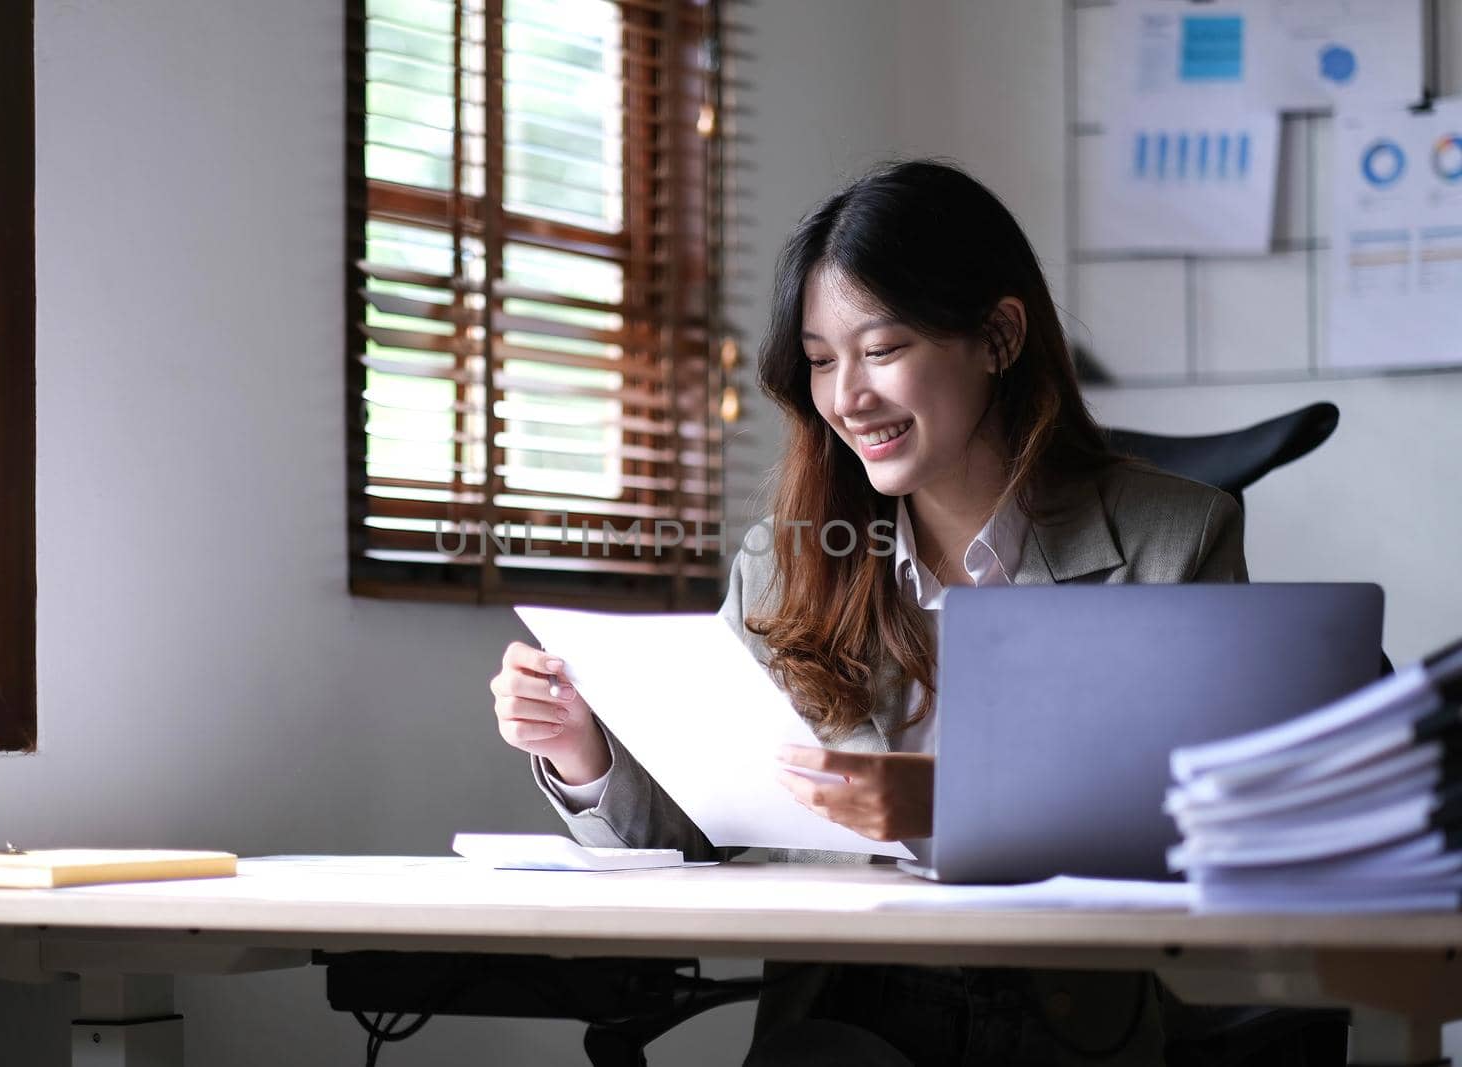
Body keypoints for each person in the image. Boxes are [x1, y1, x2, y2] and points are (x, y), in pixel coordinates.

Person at [487, 160, 1344, 1066]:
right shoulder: (783, 565)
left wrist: (954, 804)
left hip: (1065, 1012)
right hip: (843, 1007)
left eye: (883, 350)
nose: (847, 397)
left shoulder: (1178, 536)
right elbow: (699, 834)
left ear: (998, 336)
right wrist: (581, 749)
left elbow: (1211, 825)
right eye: (821, 362)